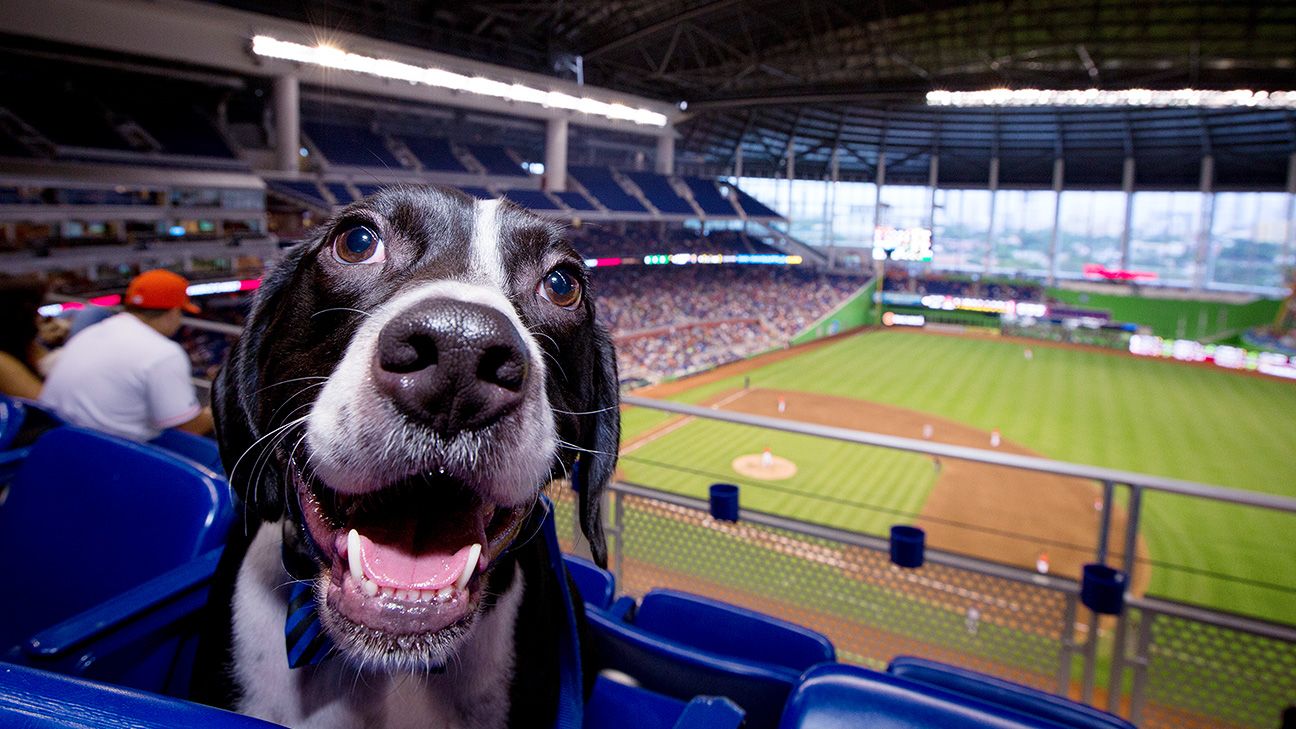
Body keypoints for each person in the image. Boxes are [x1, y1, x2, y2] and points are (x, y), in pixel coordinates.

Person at [40, 269, 214, 440]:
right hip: (106, 452)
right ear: (173, 312)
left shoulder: (91, 331)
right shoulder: (163, 352)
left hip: (55, 439)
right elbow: (188, 429)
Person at [0, 274, 48, 399]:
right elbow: (46, 404)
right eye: (35, 312)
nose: (41, 318)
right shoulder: (3, 363)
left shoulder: (28, 347)